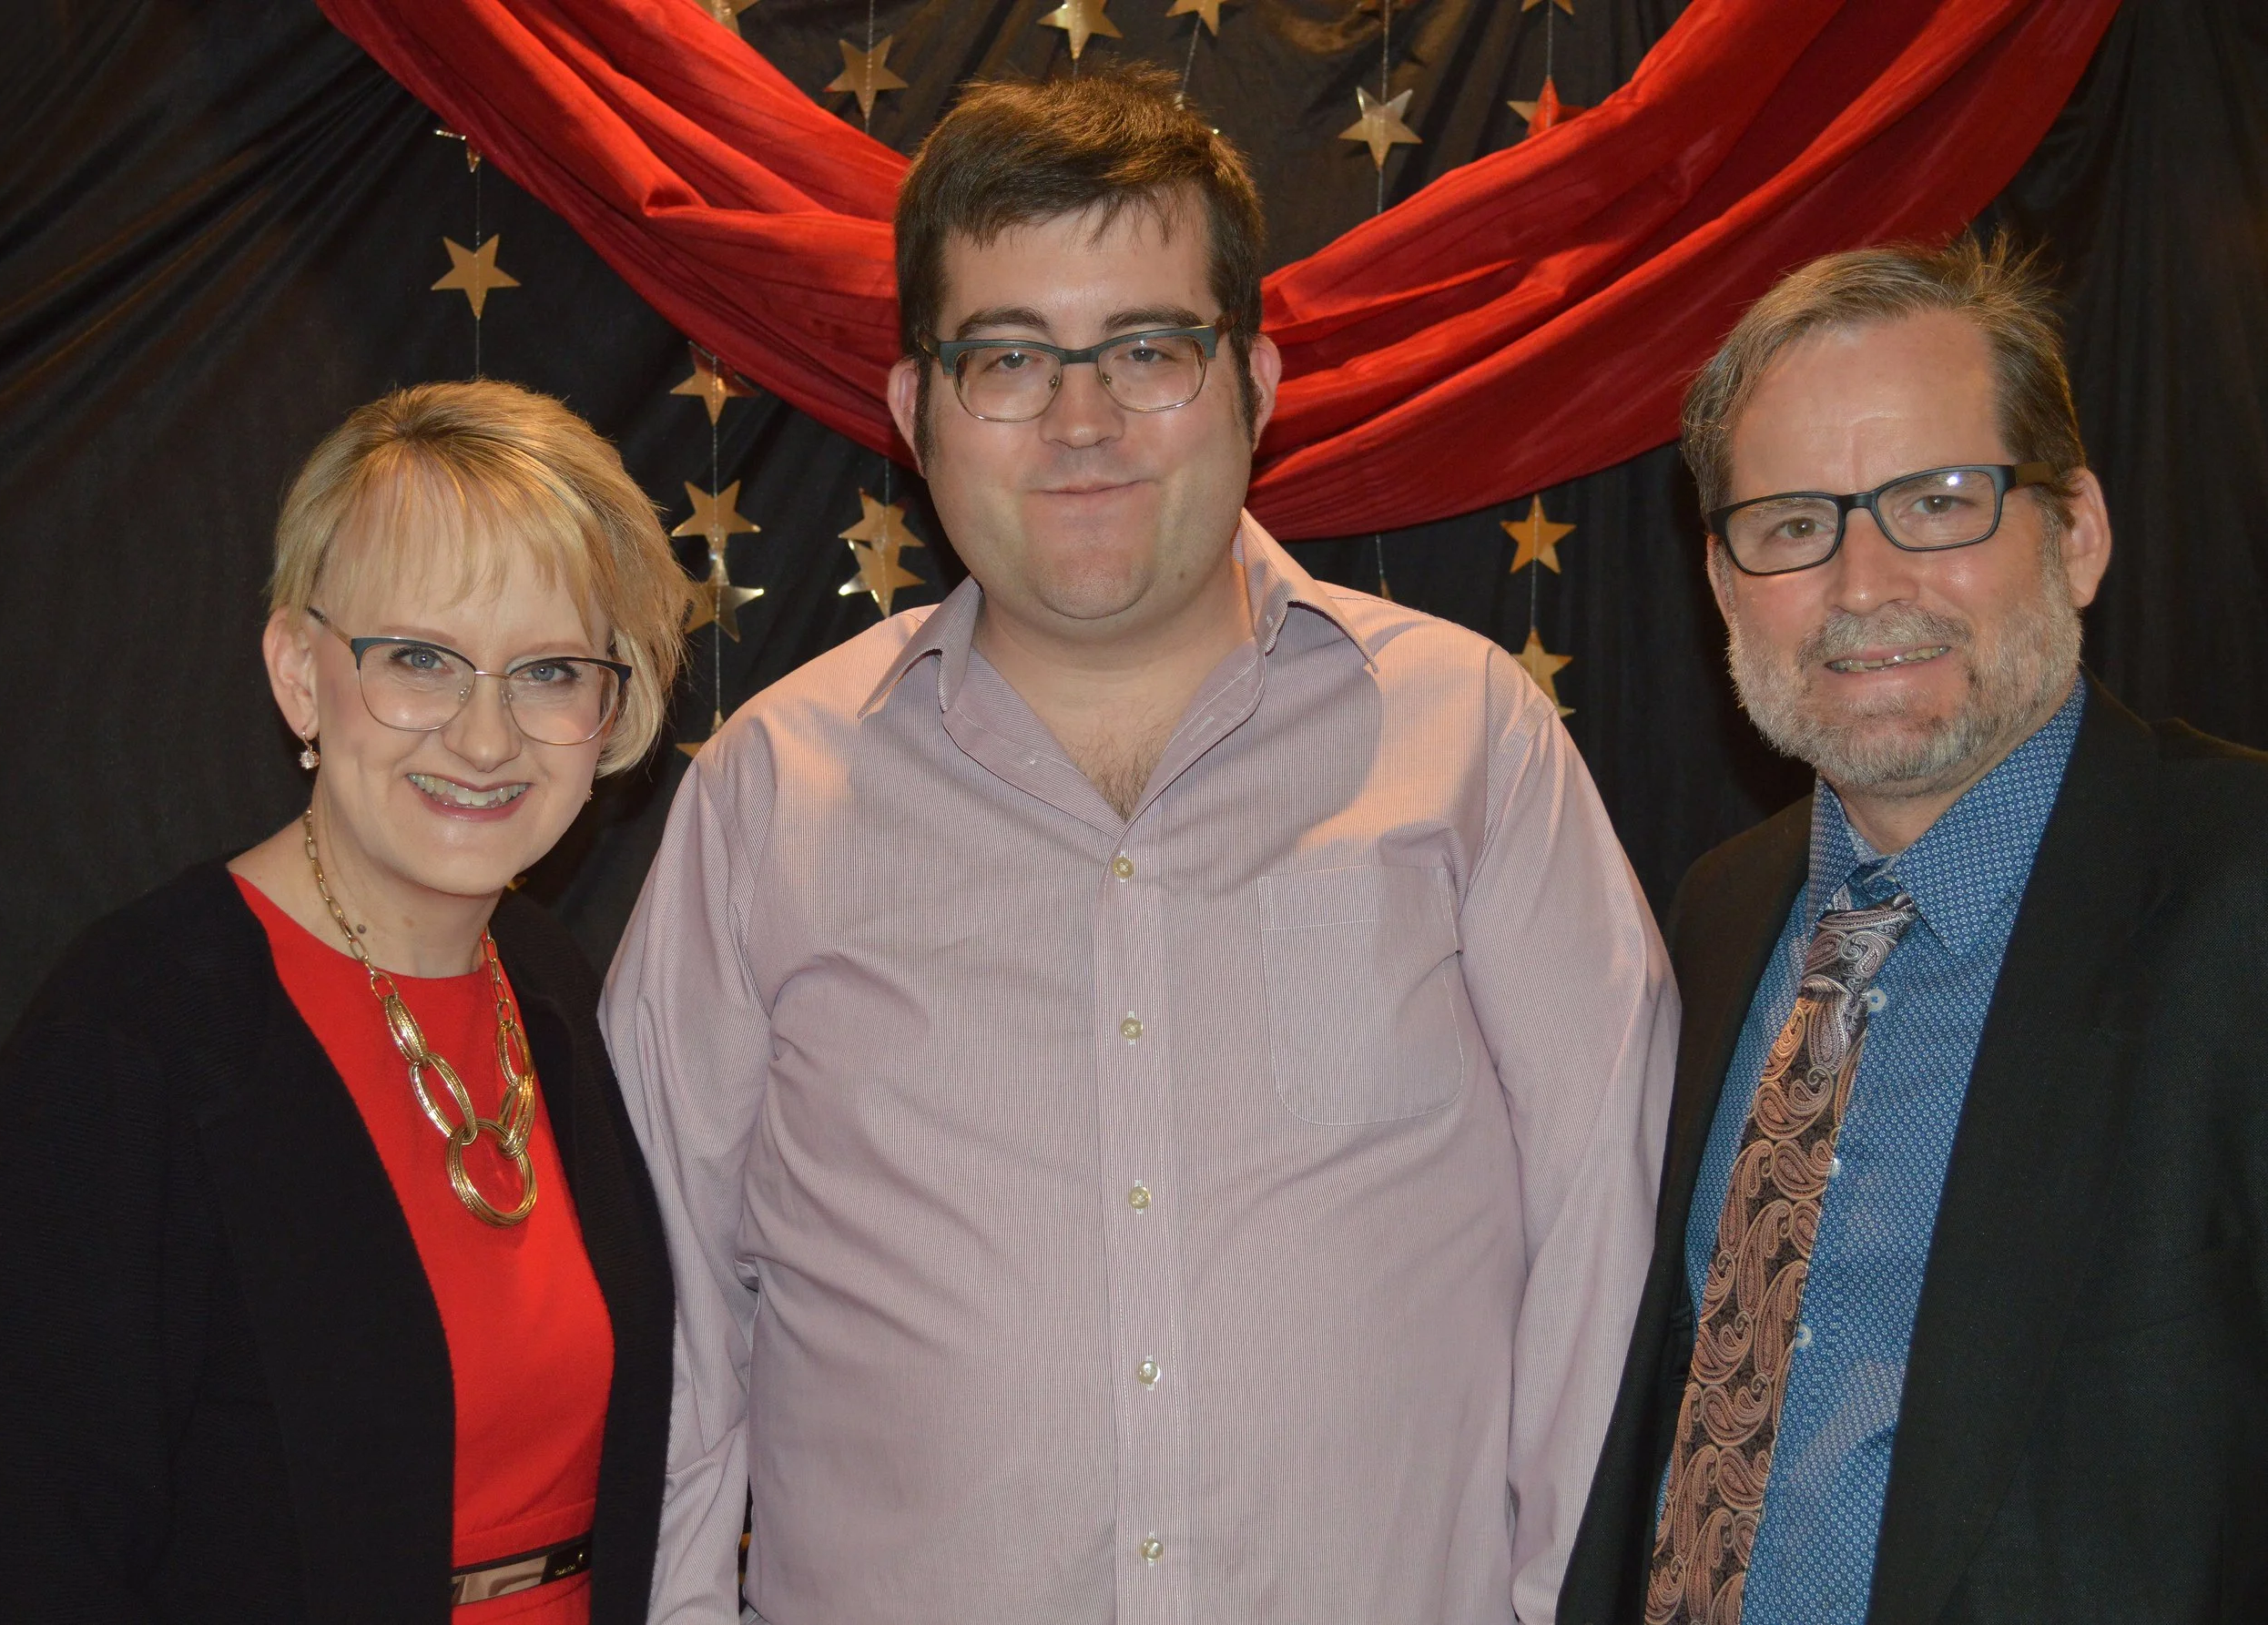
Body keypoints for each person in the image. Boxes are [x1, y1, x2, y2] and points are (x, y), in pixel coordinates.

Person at [605, 66, 1676, 1625]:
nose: (1084, 422)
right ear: (914, 411)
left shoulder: (1475, 745)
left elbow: (1608, 1251)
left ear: (1253, 380)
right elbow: (677, 1319)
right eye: (1011, 358)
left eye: (1149, 351)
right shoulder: (769, 794)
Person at [1558, 237, 2268, 1625]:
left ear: (2077, 533)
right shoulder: (1719, 910)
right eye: (1791, 524)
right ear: (1721, 584)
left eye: (1939, 501)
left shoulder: (2242, 900)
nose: (1865, 584)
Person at [0, 381, 689, 1624]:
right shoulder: (135, 1033)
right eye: (419, 660)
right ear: (300, 678)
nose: (486, 739)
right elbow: (43, 1546)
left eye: (549, 671)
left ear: (611, 710)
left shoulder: (557, 987)